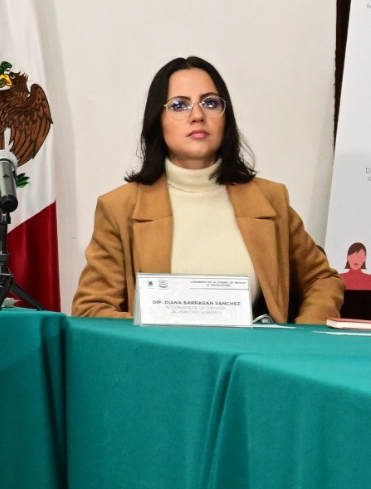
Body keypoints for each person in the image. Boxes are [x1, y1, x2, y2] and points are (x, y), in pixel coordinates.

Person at [72, 56, 342, 323]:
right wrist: (151, 334)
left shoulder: (270, 199)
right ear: (158, 120)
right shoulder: (120, 207)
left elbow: (321, 280)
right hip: (162, 351)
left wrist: (300, 336)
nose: (198, 116)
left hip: (251, 351)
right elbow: (91, 308)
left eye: (210, 103)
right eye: (179, 105)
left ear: (226, 118)